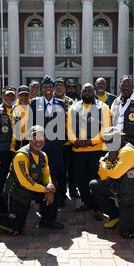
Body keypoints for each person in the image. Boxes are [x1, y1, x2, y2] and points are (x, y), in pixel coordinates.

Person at [0, 125, 65, 234]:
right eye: (34, 137)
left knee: (54, 186)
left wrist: (49, 185)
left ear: (45, 139)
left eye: (41, 137)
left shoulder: (43, 155)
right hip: (16, 194)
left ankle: (47, 220)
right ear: (29, 138)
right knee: (15, 229)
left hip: (31, 191)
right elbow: (25, 181)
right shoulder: (21, 156)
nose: (38, 141)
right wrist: (45, 190)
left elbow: (46, 174)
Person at [67, 83, 111, 220]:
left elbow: (106, 129)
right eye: (84, 91)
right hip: (78, 150)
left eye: (89, 91)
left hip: (96, 150)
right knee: (80, 179)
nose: (87, 93)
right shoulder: (74, 107)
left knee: (95, 180)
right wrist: (74, 141)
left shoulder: (102, 107)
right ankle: (87, 202)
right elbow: (68, 127)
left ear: (94, 92)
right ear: (81, 92)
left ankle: (98, 208)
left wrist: (91, 141)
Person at [30, 75, 65, 214]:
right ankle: (40, 201)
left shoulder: (61, 103)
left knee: (55, 174)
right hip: (40, 145)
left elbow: (62, 125)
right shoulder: (35, 103)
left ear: (54, 87)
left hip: (56, 146)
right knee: (39, 174)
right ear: (41, 89)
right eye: (45, 87)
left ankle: (54, 203)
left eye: (50, 87)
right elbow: (31, 124)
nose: (48, 89)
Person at [54, 77, 78, 205]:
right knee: (58, 170)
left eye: (61, 85)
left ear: (65, 88)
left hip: (69, 143)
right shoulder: (49, 101)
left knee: (70, 169)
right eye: (57, 85)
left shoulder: (71, 102)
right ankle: (60, 194)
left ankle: (69, 192)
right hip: (53, 142)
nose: (59, 87)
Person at [12, 85, 31, 151]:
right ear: (17, 96)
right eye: (21, 95)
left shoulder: (33, 107)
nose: (24, 97)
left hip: (29, 141)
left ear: (29, 95)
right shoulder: (13, 108)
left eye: (26, 95)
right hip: (16, 142)